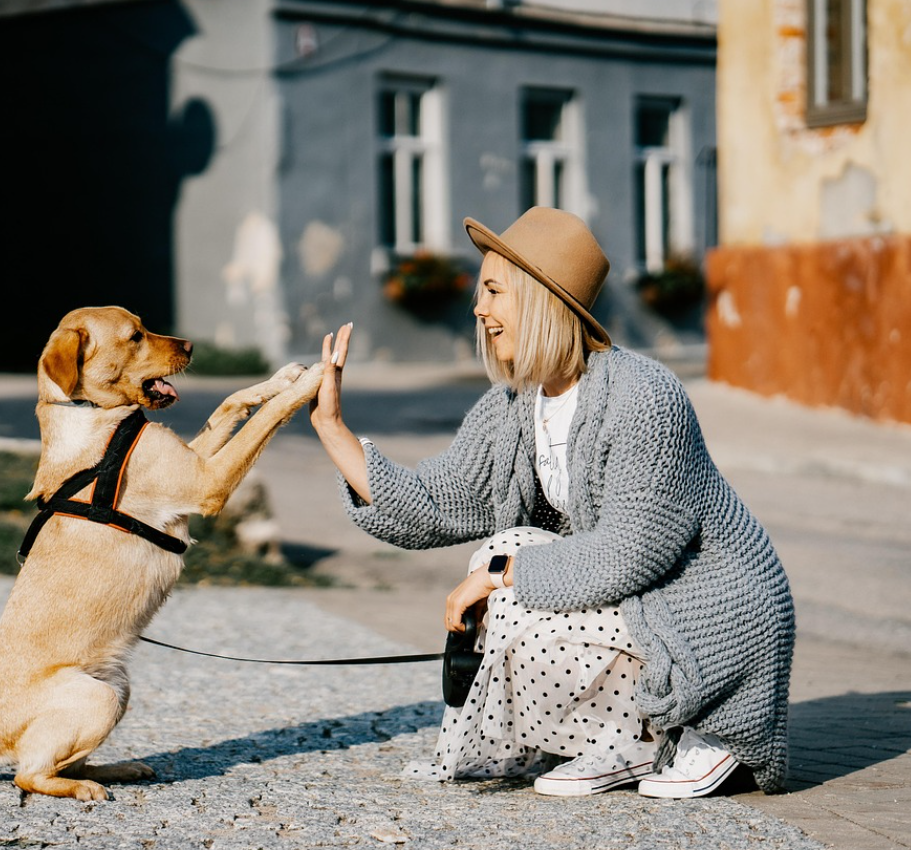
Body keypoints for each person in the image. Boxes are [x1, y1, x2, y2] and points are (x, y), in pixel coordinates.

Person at [309, 207, 794, 798]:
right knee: (503, 552)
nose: (478, 309)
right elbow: (437, 501)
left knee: (506, 575)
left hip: (711, 613)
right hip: (640, 604)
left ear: (540, 299)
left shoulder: (644, 396)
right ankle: (617, 740)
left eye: (493, 291)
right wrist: (333, 428)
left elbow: (629, 553)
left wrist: (499, 577)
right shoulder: (515, 404)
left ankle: (684, 730)